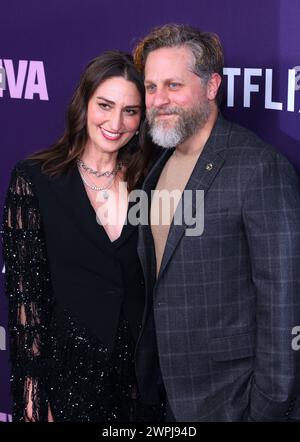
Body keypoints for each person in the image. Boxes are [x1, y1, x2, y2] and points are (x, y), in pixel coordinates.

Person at [133, 23, 300, 421]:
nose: (159, 99)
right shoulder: (158, 165)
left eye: (174, 85)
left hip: (233, 401)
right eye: (152, 86)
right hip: (167, 395)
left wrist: (267, 406)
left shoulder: (258, 167)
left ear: (211, 87)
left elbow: (285, 299)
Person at [1, 51, 162, 422]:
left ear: (142, 120)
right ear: (84, 104)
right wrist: (33, 398)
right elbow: (27, 300)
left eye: (130, 111)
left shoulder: (152, 181)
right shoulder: (36, 179)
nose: (115, 122)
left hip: (141, 383)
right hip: (68, 380)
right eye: (105, 105)